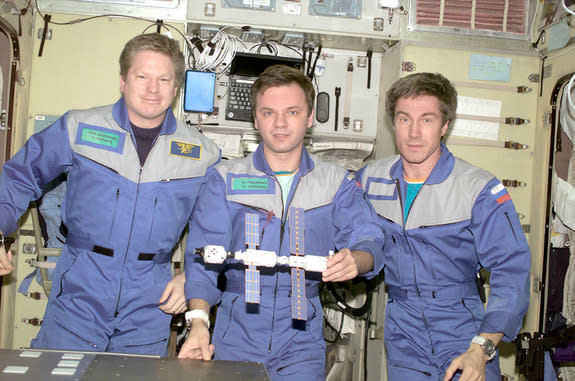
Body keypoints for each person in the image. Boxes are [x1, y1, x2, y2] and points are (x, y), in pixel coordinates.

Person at [0, 33, 220, 355]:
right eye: (141, 76)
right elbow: (20, 175)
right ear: (122, 80)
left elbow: (211, 232)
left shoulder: (201, 154)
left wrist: (192, 277)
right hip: (78, 294)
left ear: (175, 89)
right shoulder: (79, 129)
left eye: (163, 79)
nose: (152, 89)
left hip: (149, 305)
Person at [177, 64, 384, 380]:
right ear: (256, 119)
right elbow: (204, 258)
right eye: (269, 112)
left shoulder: (335, 183)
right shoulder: (224, 179)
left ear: (310, 116)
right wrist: (198, 323)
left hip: (301, 336)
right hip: (237, 330)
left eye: (292, 112)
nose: (281, 123)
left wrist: (358, 259)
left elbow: (368, 237)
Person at [356, 72, 531, 381]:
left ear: (445, 125)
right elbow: (348, 233)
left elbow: (511, 269)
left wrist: (482, 348)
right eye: (404, 119)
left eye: (426, 120)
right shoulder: (369, 179)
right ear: (392, 123)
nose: (413, 132)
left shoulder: (477, 188)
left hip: (463, 328)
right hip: (403, 330)